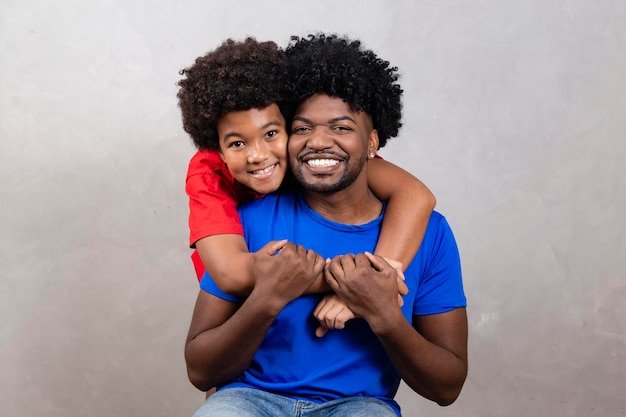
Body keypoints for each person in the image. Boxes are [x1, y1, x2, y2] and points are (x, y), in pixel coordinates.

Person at [184, 34, 468, 417]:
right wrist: (271, 295)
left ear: (372, 143)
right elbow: (201, 366)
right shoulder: (243, 218)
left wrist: (380, 308)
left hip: (360, 405)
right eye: (302, 128)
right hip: (250, 397)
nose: (319, 141)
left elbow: (447, 386)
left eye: (341, 128)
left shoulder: (428, 233)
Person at [177, 37, 435, 331]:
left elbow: (415, 194)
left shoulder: (316, 154)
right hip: (240, 317)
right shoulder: (208, 172)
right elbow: (230, 274)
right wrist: (353, 283)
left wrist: (377, 279)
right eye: (238, 143)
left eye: (272, 133)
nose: (258, 154)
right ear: (220, 150)